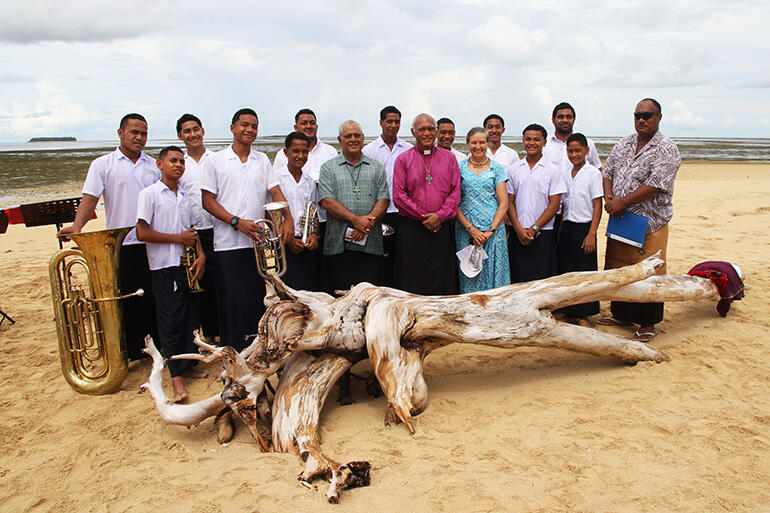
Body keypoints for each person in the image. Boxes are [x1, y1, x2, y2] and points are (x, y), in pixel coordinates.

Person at [57, 113, 159, 361]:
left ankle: (156, 350)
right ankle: (134, 352)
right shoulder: (102, 164)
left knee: (153, 299)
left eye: (143, 133)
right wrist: (77, 226)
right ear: (120, 133)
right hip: (121, 245)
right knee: (126, 299)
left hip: (152, 243)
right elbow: (90, 198)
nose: (139, 137)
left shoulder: (154, 165)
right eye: (134, 132)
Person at [200, 108, 294, 351]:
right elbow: (207, 201)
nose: (249, 130)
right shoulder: (215, 160)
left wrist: (288, 217)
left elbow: (275, 192)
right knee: (232, 303)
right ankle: (233, 356)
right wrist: (236, 221)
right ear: (233, 128)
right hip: (227, 244)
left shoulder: (262, 159)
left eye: (254, 126)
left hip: (258, 245)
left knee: (256, 300)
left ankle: (255, 355)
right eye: (244, 125)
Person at [599, 98, 681, 342]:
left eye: (647, 115)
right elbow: (608, 171)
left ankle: (648, 322)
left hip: (650, 223)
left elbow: (656, 184)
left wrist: (622, 202)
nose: (641, 120)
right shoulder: (624, 143)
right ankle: (622, 314)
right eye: (637, 115)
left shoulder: (667, 148)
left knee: (649, 271)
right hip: (621, 219)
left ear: (659, 117)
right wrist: (609, 197)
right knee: (620, 267)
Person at [136, 146, 205, 403]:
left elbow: (191, 230)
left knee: (189, 318)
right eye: (173, 161)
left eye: (181, 162)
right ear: (159, 164)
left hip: (185, 265)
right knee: (170, 322)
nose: (178, 165)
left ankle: (187, 367)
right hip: (163, 267)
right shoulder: (150, 194)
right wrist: (178, 239)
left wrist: (201, 255)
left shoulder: (184, 195)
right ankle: (176, 379)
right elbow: (142, 232)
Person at [392, 113, 461, 295]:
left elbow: (455, 192)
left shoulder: (449, 158)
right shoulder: (403, 159)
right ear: (413, 132)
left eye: (431, 128)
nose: (427, 133)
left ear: (437, 132)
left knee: (442, 276)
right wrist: (424, 217)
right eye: (422, 129)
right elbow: (399, 195)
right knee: (411, 275)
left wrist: (439, 216)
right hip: (412, 227)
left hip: (441, 226)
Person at [319, 120, 390, 292]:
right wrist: (356, 220)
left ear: (363, 138)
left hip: (370, 243)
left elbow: (384, 199)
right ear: (340, 139)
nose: (353, 139)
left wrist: (366, 224)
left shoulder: (376, 167)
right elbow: (327, 200)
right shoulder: (328, 168)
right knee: (340, 296)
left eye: (357, 135)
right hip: (338, 244)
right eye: (348, 136)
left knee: (370, 297)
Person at [176, 113, 219, 342]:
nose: (192, 134)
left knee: (220, 282)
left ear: (203, 131)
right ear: (180, 136)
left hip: (219, 229)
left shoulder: (217, 159)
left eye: (196, 129)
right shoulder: (180, 164)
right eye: (187, 131)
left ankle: (222, 330)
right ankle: (208, 334)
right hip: (193, 232)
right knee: (198, 283)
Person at [507, 124, 567, 283]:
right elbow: (510, 202)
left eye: (536, 139)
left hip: (542, 232)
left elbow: (555, 205)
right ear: (523, 141)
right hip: (517, 232)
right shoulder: (514, 169)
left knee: (541, 278)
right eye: (528, 139)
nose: (531, 143)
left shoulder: (553, 170)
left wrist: (534, 228)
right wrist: (519, 229)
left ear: (544, 142)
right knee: (518, 276)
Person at [555, 133, 603, 326]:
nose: (574, 154)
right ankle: (570, 311)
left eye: (578, 150)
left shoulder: (593, 173)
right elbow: (563, 204)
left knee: (585, 272)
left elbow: (597, 205)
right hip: (567, 227)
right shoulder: (566, 174)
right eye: (570, 151)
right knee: (567, 271)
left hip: (584, 228)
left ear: (586, 151)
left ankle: (584, 314)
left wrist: (591, 234)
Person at [454, 127, 510, 292]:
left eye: (482, 142)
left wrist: (490, 230)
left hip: (492, 231)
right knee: (469, 272)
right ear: (467, 144)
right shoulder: (459, 168)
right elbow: (454, 203)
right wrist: (471, 230)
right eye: (474, 142)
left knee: (494, 273)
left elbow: (504, 203)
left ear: (487, 143)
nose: (478, 146)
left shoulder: (497, 168)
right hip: (466, 231)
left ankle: (496, 314)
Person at [362, 105, 412, 285]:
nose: (393, 125)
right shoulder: (369, 150)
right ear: (381, 123)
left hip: (403, 212)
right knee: (377, 256)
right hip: (378, 212)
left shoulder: (408, 149)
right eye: (389, 121)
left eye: (396, 121)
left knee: (401, 256)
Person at [272, 131, 322, 291]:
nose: (300, 156)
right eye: (296, 151)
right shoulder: (275, 178)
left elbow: (313, 213)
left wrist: (314, 234)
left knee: (307, 291)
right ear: (286, 152)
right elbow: (270, 214)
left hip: (304, 244)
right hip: (283, 244)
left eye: (304, 152)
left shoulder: (309, 181)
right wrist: (290, 240)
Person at [543, 102, 602, 171]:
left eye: (568, 117)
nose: (565, 120)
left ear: (573, 120)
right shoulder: (544, 144)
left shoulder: (588, 143)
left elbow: (597, 168)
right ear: (553, 120)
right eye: (561, 117)